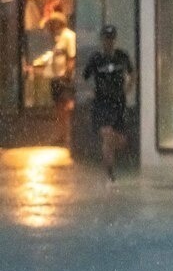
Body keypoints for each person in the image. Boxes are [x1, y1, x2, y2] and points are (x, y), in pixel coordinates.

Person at [83, 25, 132, 181]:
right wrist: (89, 92)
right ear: (102, 40)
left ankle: (112, 167)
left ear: (114, 40)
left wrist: (128, 88)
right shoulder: (96, 59)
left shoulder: (122, 56)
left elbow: (133, 73)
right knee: (106, 134)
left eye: (111, 39)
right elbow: (84, 77)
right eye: (106, 39)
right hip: (101, 103)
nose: (108, 42)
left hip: (118, 103)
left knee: (119, 140)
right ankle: (110, 174)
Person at [41, 10, 76, 146]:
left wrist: (67, 74)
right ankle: (61, 134)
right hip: (56, 76)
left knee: (66, 107)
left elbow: (71, 57)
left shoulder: (68, 36)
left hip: (64, 77)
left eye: (53, 23)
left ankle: (67, 136)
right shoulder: (57, 37)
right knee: (59, 107)